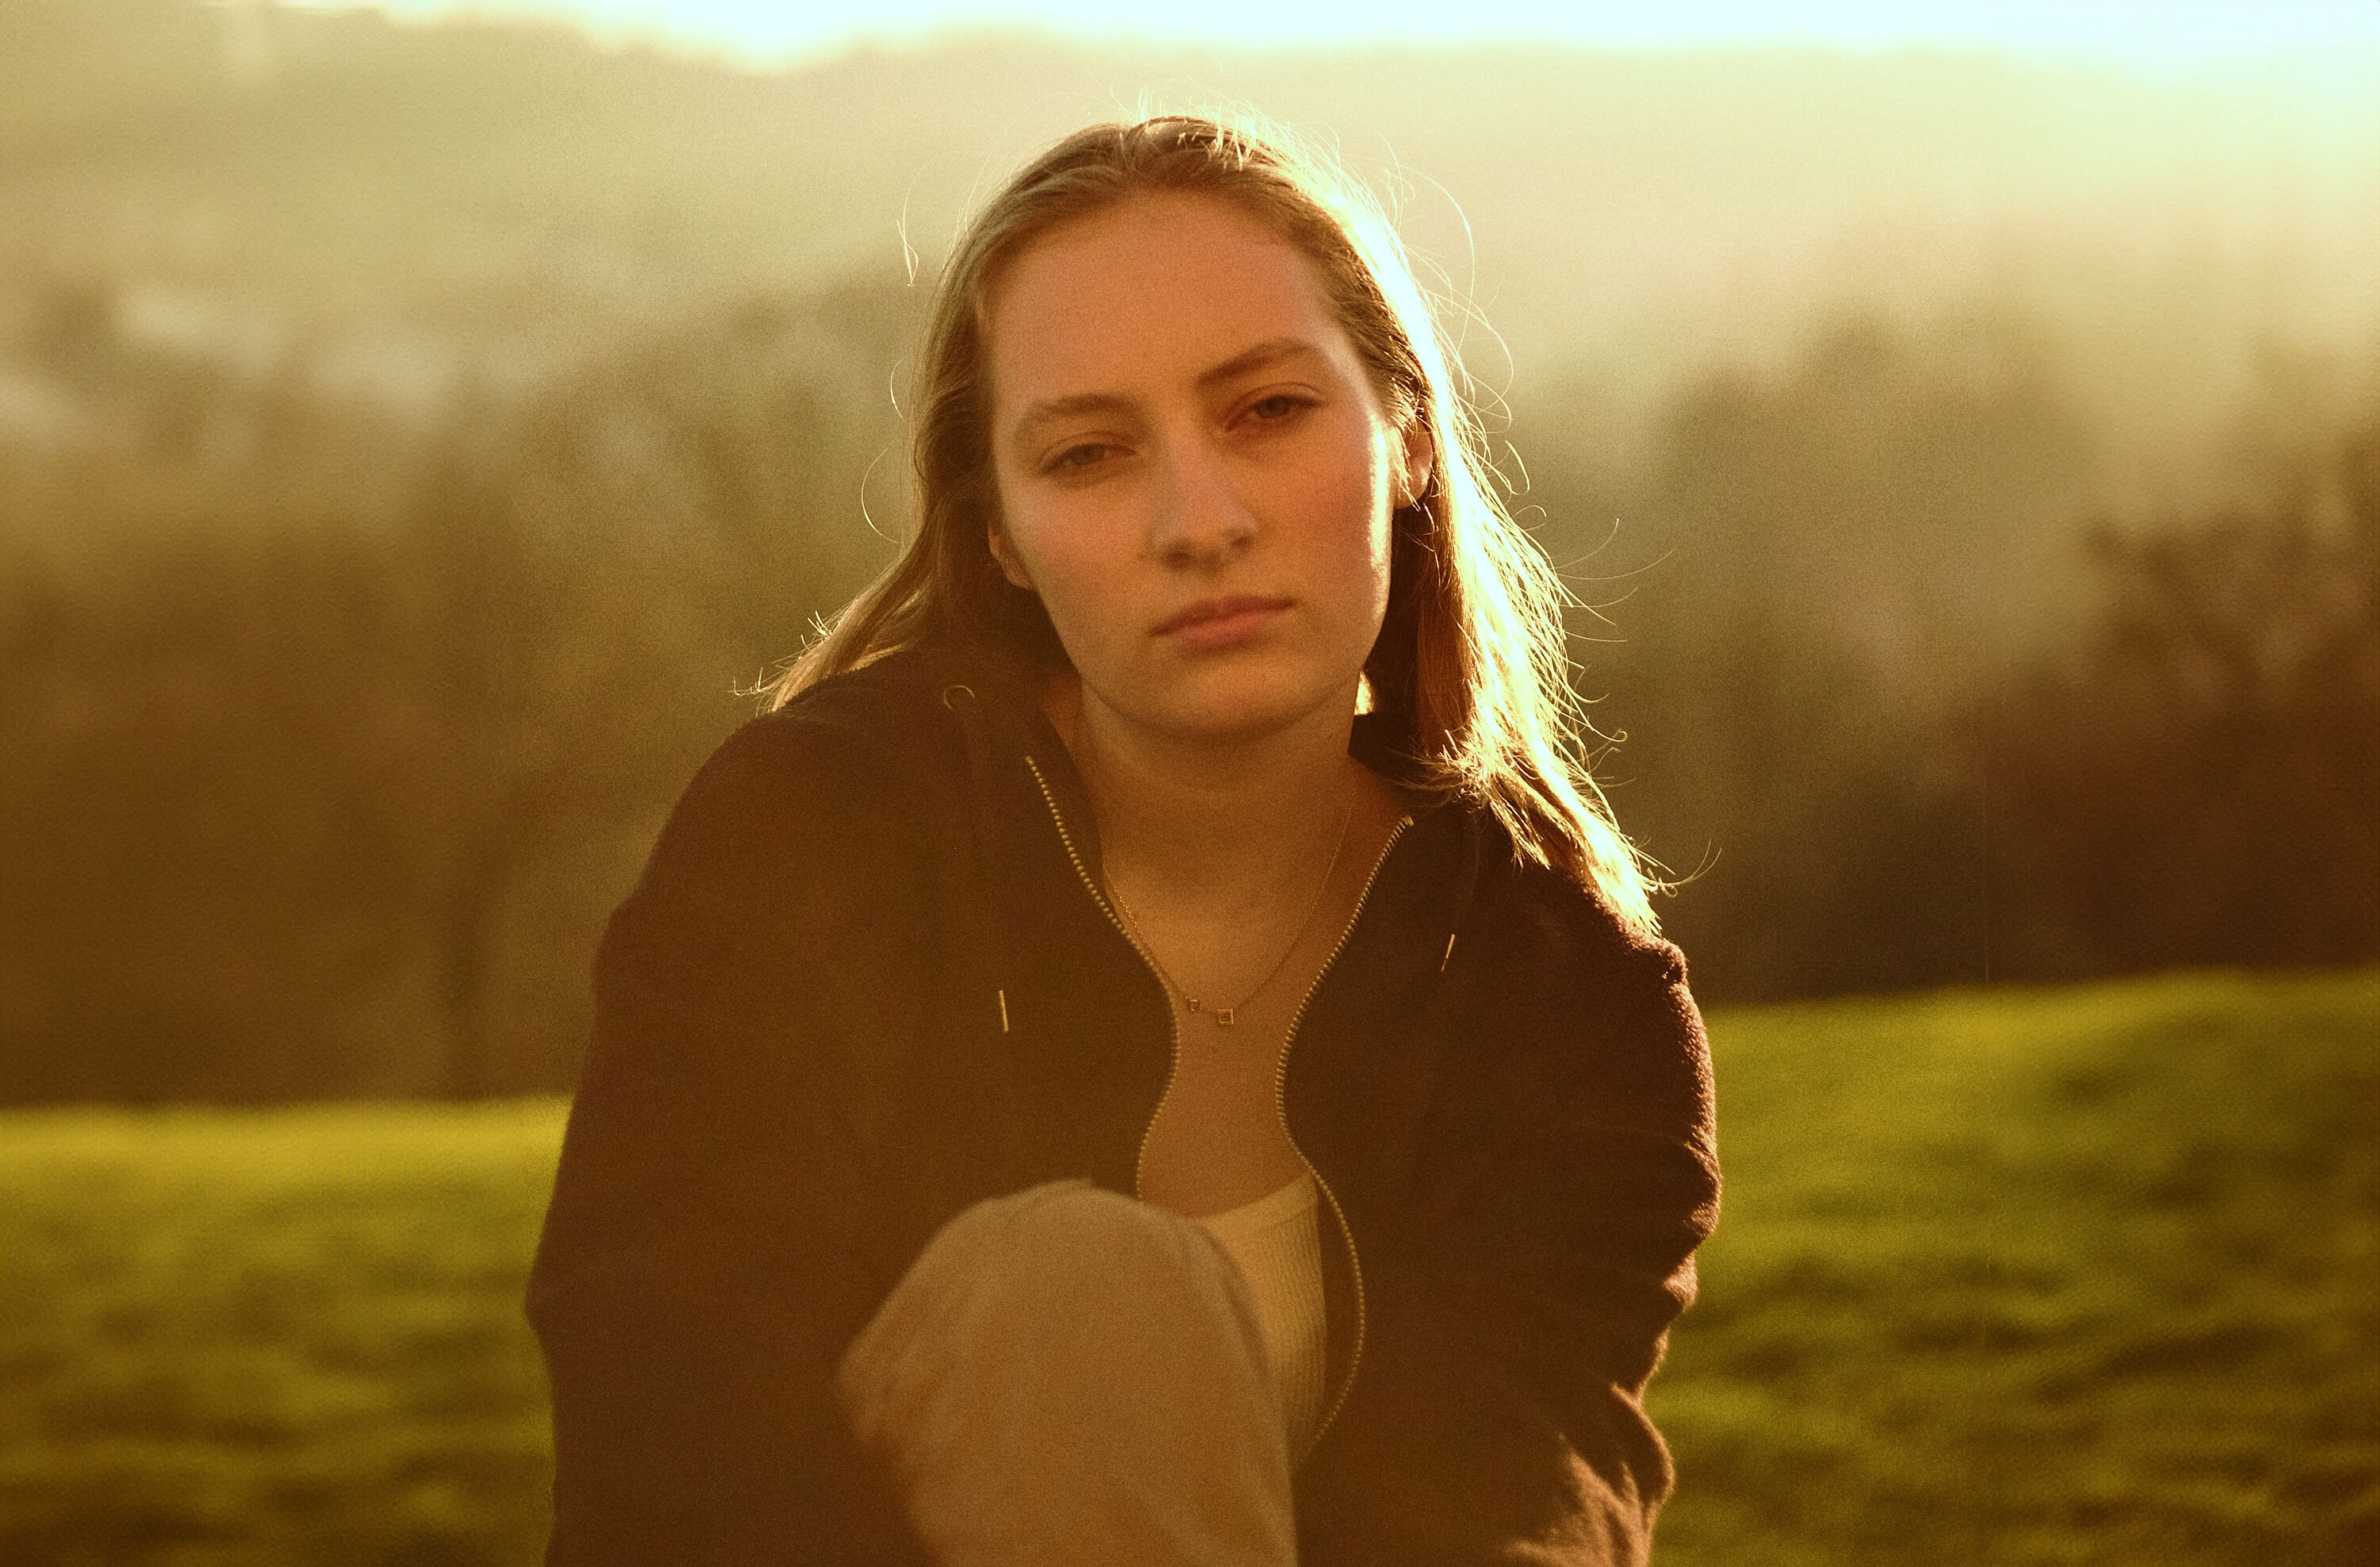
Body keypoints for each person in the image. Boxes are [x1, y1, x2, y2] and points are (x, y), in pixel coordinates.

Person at [528, 113, 1720, 1566]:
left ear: (1406, 433)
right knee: (1082, 1296)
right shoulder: (809, 849)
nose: (1196, 519)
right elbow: (670, 1427)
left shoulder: (1566, 995)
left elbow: (1522, 1508)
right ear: (1001, 540)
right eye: (1090, 454)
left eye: (1268, 411)